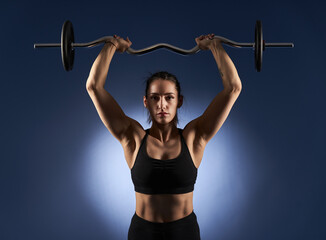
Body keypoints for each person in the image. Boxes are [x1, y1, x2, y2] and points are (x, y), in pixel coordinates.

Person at [86, 33, 242, 240]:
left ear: (179, 101)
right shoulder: (132, 138)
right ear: (146, 102)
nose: (161, 105)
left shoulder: (194, 138)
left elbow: (233, 88)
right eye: (154, 98)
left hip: (184, 232)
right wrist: (112, 45)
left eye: (169, 98)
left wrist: (214, 46)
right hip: (143, 233)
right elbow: (93, 87)